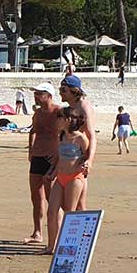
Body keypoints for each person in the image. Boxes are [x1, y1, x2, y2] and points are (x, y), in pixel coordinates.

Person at [44, 106, 90, 255]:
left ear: (69, 120)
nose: (57, 121)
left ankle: (69, 247)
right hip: (60, 177)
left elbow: (86, 158)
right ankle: (51, 246)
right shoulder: (62, 136)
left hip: (75, 178)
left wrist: (85, 165)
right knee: (51, 212)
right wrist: (53, 172)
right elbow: (60, 159)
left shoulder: (81, 138)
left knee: (70, 214)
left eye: (60, 118)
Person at [23, 83, 59, 245]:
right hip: (37, 156)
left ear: (49, 95)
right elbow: (33, 131)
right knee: (36, 197)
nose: (36, 96)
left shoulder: (59, 112)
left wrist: (59, 155)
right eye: (35, 93)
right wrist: (30, 150)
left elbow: (67, 134)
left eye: (39, 94)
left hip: (52, 157)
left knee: (53, 198)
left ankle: (56, 235)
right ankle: (37, 232)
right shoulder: (37, 113)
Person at [58, 75, 96, 211]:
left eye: (63, 90)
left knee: (79, 204)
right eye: (60, 89)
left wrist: (89, 161)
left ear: (74, 91)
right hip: (67, 157)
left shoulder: (83, 107)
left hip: (79, 159)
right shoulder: (70, 107)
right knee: (68, 204)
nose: (60, 92)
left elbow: (92, 136)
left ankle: (84, 232)